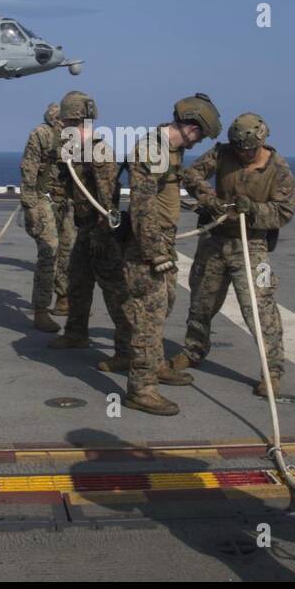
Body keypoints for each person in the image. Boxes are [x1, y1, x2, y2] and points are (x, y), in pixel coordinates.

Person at [173, 112, 295, 396]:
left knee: (259, 310)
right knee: (201, 302)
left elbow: (285, 211)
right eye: (238, 149)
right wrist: (209, 199)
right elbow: (191, 174)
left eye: (249, 150)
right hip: (214, 240)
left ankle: (272, 370)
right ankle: (193, 350)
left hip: (251, 245)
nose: (242, 154)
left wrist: (254, 210)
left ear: (261, 142)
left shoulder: (278, 169)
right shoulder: (221, 153)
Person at [120, 93, 221, 416]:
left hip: (164, 241)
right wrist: (154, 252)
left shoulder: (171, 150)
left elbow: (175, 186)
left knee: (165, 305)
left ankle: (156, 366)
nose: (199, 141)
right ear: (192, 127)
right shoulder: (152, 149)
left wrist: (208, 200)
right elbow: (143, 204)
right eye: (201, 135)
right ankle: (141, 388)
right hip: (148, 247)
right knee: (148, 318)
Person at [45, 91, 135, 361]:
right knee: (78, 282)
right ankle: (76, 332)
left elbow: (108, 199)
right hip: (84, 228)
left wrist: (104, 233)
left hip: (102, 232)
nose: (62, 127)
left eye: (66, 123)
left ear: (75, 120)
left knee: (115, 292)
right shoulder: (75, 152)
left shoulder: (98, 152)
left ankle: (126, 350)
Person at [19, 102, 76, 332]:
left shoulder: (78, 138)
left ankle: (63, 299)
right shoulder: (41, 135)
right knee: (49, 250)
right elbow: (28, 169)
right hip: (43, 199)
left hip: (66, 201)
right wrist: (30, 206)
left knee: (68, 250)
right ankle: (41, 310)